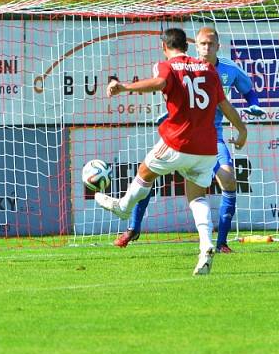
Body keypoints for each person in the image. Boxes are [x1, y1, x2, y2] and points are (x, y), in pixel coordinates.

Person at [97, 27, 248, 275]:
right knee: (197, 196)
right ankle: (206, 245)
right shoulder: (209, 69)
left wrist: (123, 87)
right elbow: (225, 105)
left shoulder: (166, 65)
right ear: (188, 47)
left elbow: (159, 82)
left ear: (164, 47)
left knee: (144, 173)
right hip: (206, 148)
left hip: (177, 142)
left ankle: (123, 207)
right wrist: (242, 131)